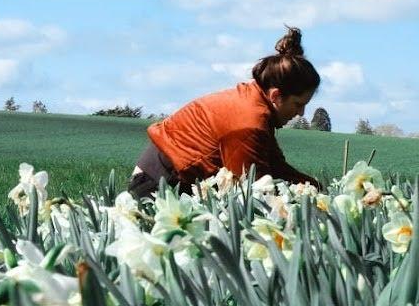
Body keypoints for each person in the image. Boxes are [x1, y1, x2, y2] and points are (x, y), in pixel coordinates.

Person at [129, 27, 322, 199]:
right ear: (276, 95)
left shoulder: (255, 101)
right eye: (298, 104)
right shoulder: (248, 122)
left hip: (165, 176)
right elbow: (254, 188)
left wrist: (315, 188)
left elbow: (275, 166)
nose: (301, 113)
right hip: (159, 182)